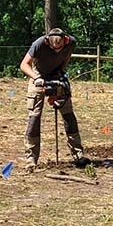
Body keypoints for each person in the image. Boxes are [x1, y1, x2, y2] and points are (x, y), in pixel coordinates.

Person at [19, 28, 89, 170]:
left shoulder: (72, 42)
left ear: (65, 40)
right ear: (47, 42)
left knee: (69, 115)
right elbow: (24, 64)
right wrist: (36, 78)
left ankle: (78, 154)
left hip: (58, 77)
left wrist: (61, 72)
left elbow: (66, 57)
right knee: (34, 117)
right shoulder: (38, 44)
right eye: (54, 48)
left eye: (60, 47)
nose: (57, 50)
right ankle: (31, 159)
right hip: (38, 76)